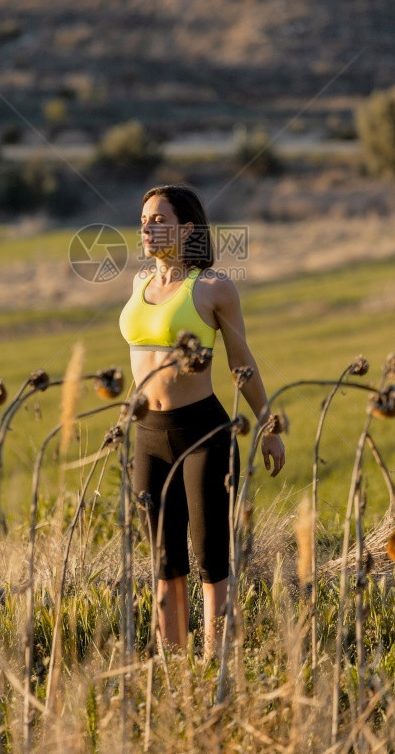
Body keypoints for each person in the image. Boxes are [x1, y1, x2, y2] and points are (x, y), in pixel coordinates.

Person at [118, 183, 285, 658]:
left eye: (159, 219)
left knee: (212, 559)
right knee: (165, 562)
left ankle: (218, 666)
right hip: (149, 436)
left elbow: (240, 362)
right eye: (144, 219)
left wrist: (268, 426)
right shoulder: (138, 285)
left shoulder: (212, 287)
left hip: (204, 435)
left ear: (186, 228)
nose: (147, 228)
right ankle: (172, 667)